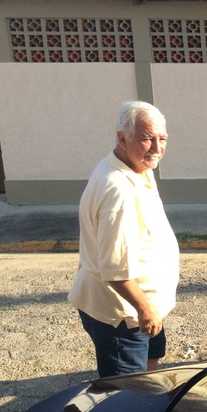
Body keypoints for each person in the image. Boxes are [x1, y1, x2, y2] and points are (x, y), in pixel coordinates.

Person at [68, 101, 179, 378]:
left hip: (144, 309)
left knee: (149, 375)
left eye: (162, 138)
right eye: (146, 138)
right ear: (122, 138)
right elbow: (115, 268)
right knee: (124, 393)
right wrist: (144, 308)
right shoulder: (118, 189)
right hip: (125, 316)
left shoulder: (138, 166)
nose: (157, 147)